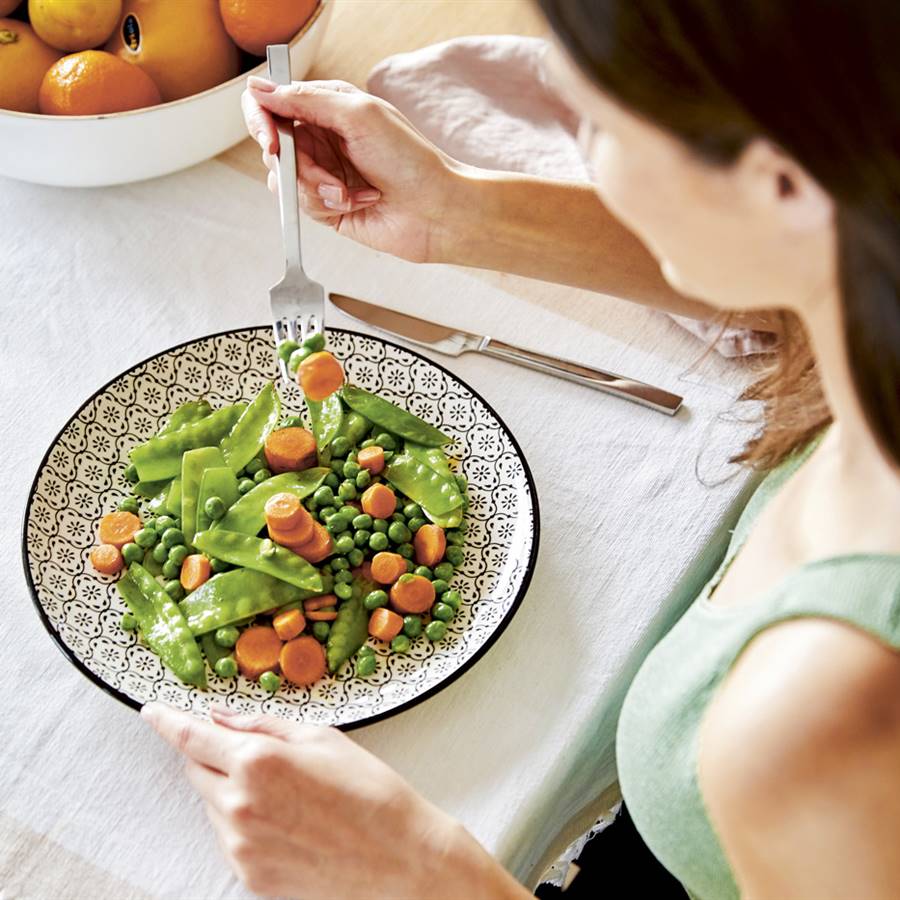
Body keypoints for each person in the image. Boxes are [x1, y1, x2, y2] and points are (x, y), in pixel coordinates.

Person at [141, 1, 900, 897]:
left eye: (601, 126)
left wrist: (425, 874)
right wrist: (459, 212)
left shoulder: (818, 719)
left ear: (781, 181)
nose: (579, 144)